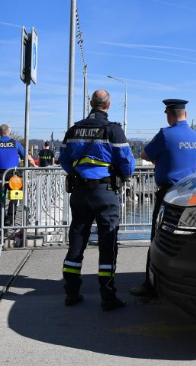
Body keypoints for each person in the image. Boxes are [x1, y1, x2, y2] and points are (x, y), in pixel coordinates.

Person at [60, 90, 135, 311]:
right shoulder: (113, 130)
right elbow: (127, 163)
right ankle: (107, 296)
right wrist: (123, 176)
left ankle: (71, 292)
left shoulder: (74, 129)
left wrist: (78, 173)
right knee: (107, 243)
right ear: (108, 105)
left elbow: (64, 160)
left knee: (77, 240)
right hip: (105, 191)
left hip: (80, 192)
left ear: (90, 103)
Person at [130, 99, 196, 298]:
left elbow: (144, 154)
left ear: (169, 115)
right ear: (185, 114)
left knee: (158, 239)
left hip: (168, 195)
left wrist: (157, 159)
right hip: (189, 195)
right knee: (182, 241)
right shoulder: (194, 136)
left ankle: (150, 285)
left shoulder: (165, 134)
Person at [0, 124, 37, 230]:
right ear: (9, 132)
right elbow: (27, 157)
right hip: (13, 176)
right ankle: (9, 219)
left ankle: (2, 228)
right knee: (15, 197)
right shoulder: (15, 144)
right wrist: (35, 166)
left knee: (0, 202)